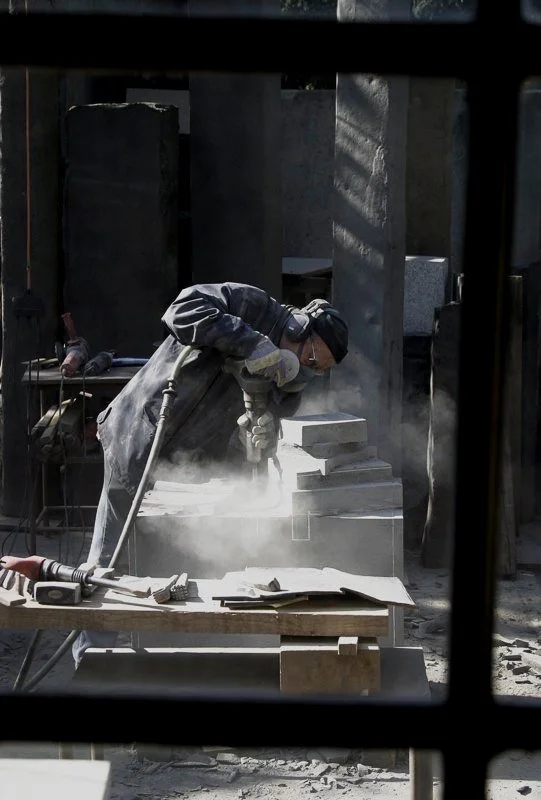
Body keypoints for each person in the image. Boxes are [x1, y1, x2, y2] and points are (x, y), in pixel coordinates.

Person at [72, 281, 348, 667]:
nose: (308, 370)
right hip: (140, 438)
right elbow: (181, 310)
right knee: (109, 558)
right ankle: (90, 663)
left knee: (165, 564)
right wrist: (252, 343)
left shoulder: (286, 377)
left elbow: (268, 425)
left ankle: (158, 663)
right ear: (301, 327)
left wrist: (263, 433)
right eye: (312, 359)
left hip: (187, 469)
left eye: (317, 370)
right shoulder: (251, 305)